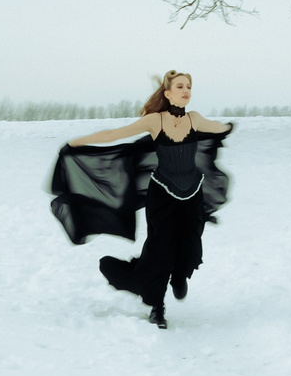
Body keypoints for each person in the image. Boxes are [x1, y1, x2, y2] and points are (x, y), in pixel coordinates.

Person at [48, 71, 234, 328]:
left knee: (191, 242)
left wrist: (227, 128)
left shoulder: (194, 119)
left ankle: (179, 275)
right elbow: (113, 134)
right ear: (168, 93)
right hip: (162, 197)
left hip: (193, 193)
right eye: (180, 86)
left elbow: (219, 128)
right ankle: (157, 306)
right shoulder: (155, 121)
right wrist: (76, 143)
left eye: (189, 86)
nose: (186, 90)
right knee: (160, 251)